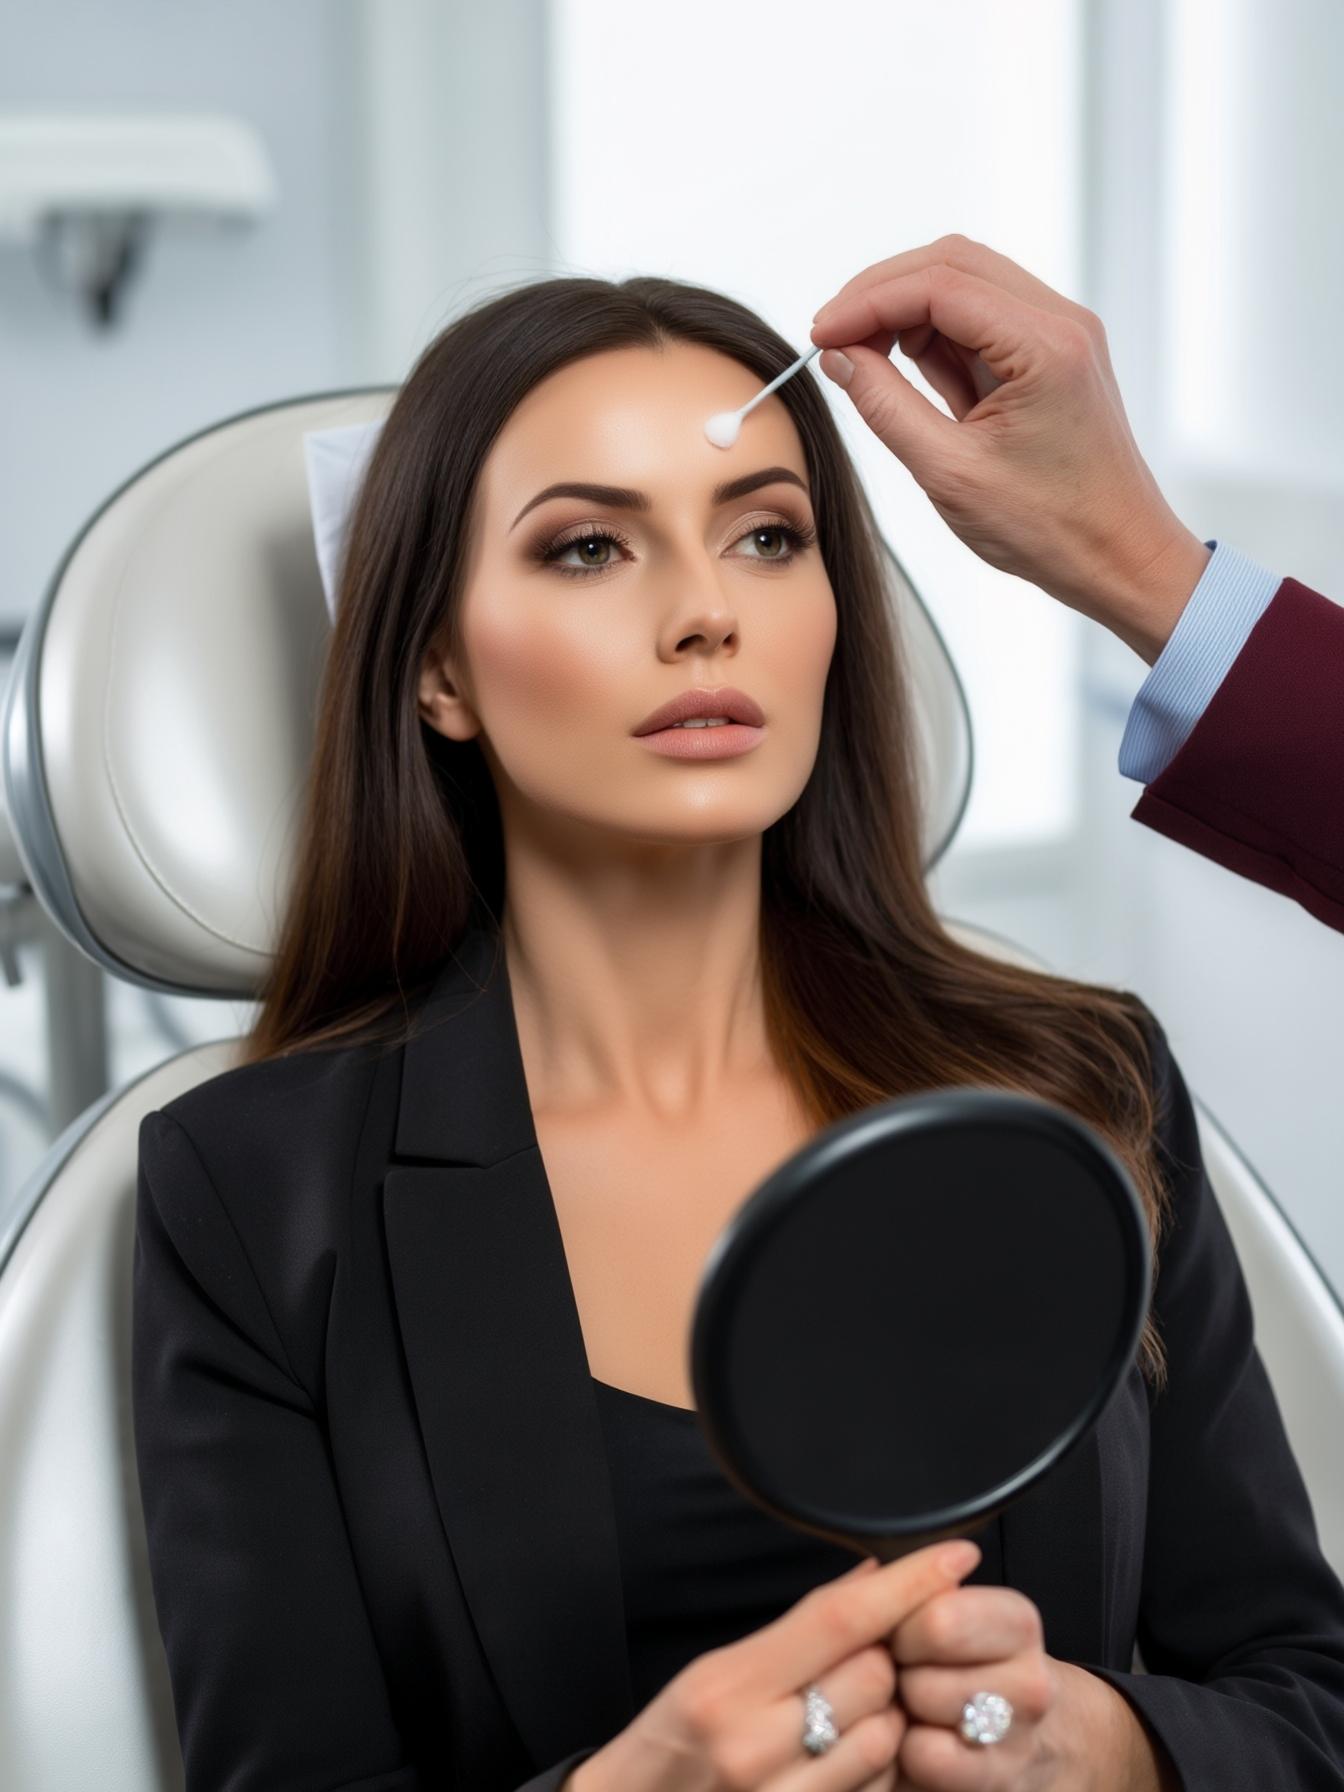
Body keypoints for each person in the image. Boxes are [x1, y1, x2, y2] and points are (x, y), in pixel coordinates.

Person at [131, 273, 1344, 1792]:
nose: (706, 611)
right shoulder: (249, 1195)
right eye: (587, 547)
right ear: (437, 670)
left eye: (768, 535)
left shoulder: (1076, 1084)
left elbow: (1308, 1701)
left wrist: (1123, 1753)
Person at [809, 234, 1344, 935]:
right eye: (607, 548)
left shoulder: (1102, 1048)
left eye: (766, 537)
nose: (705, 614)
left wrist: (1145, 561)